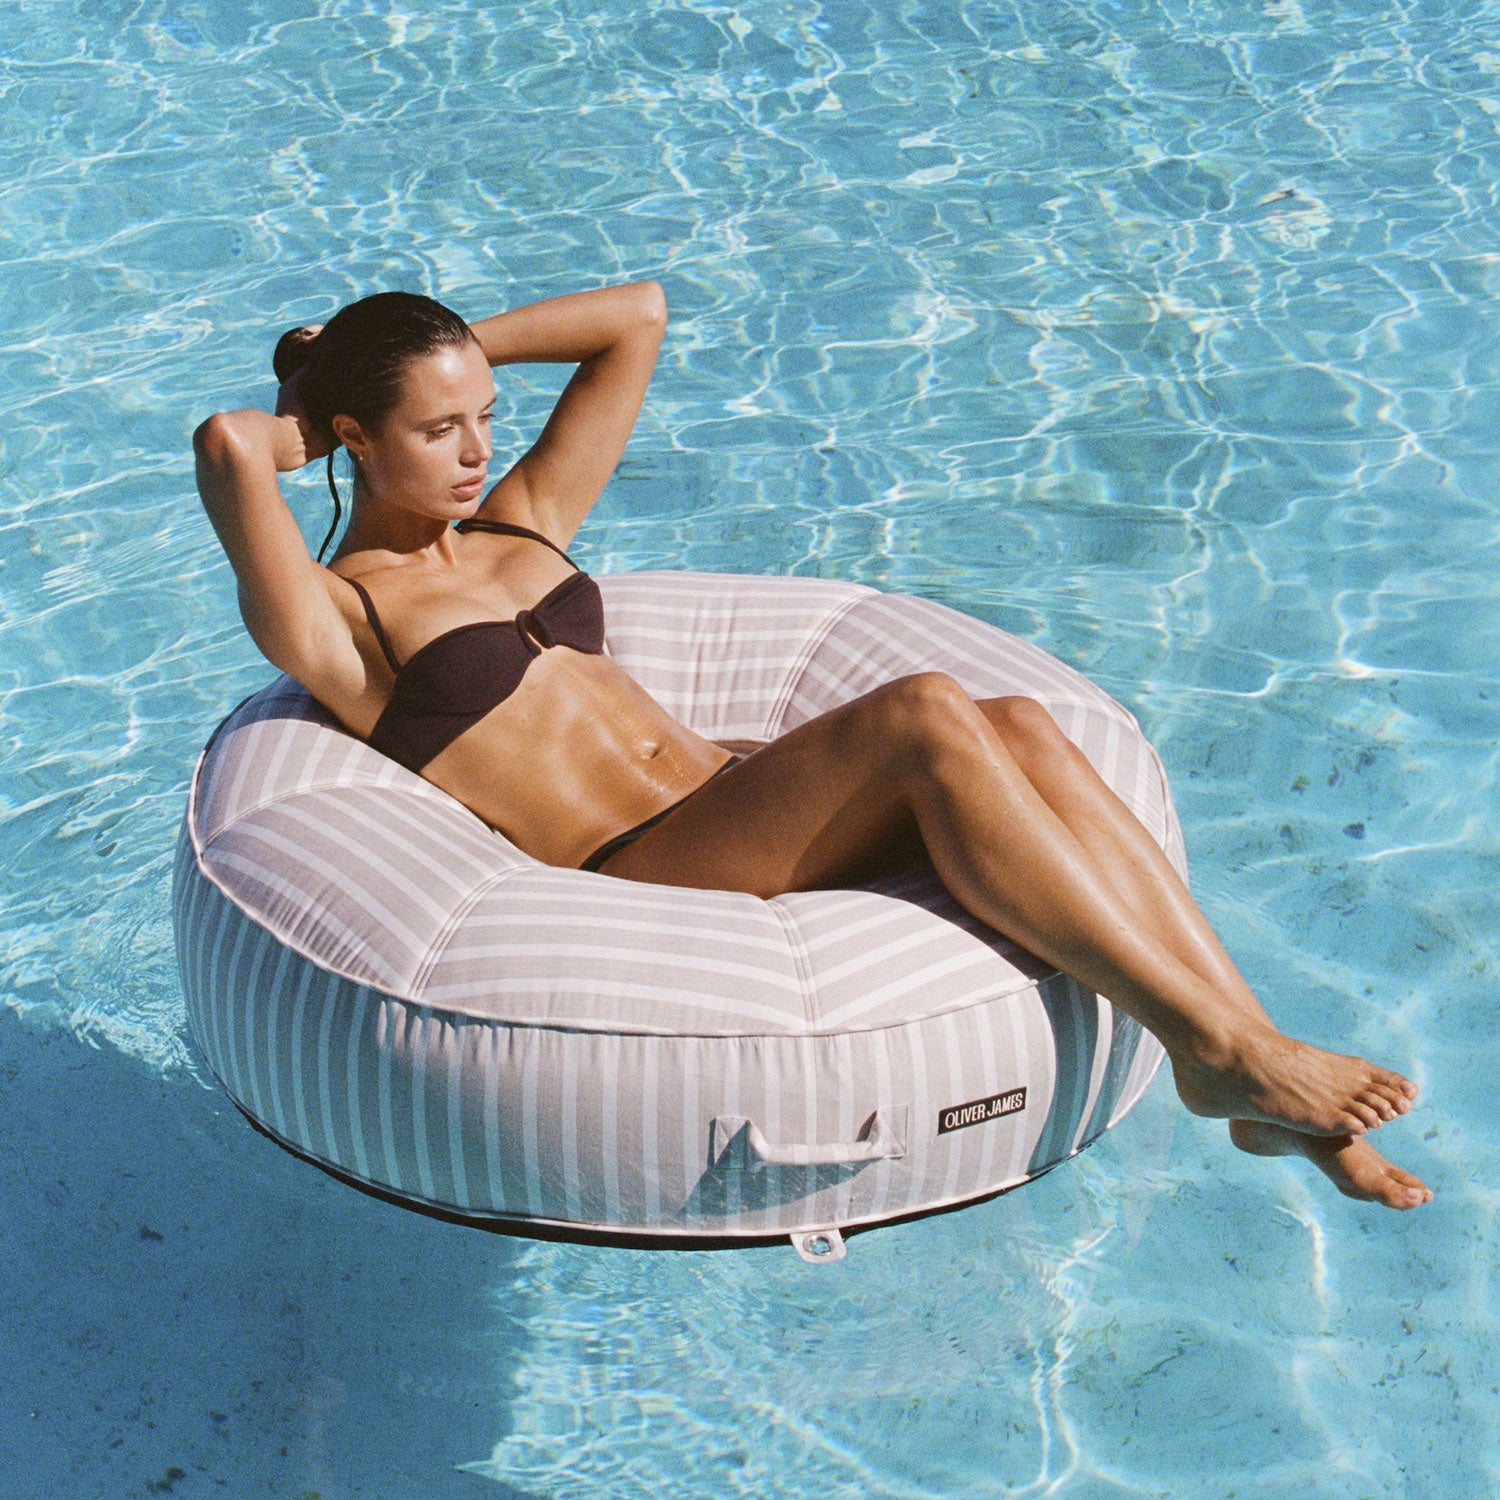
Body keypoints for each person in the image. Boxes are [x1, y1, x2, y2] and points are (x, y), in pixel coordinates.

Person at [194, 281, 1432, 1211]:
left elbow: (637, 316)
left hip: (737, 799)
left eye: (485, 419)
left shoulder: (526, 525)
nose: (475, 455)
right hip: (641, 861)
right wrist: (313, 401)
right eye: (434, 432)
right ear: (354, 436)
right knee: (925, 710)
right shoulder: (344, 621)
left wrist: (447, 355)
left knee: (1019, 727)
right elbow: (229, 443)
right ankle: (1217, 1052)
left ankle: (1246, 1062)